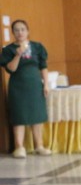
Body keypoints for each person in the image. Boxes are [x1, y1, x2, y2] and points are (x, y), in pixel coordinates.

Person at [0, 20, 52, 158]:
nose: (20, 32)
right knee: (19, 115)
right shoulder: (8, 49)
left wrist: (46, 84)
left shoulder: (37, 47)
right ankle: (19, 147)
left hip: (35, 85)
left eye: (23, 29)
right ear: (13, 32)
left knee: (37, 116)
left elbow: (43, 66)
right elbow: (11, 69)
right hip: (18, 87)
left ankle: (39, 146)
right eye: (16, 30)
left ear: (28, 31)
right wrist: (18, 54)